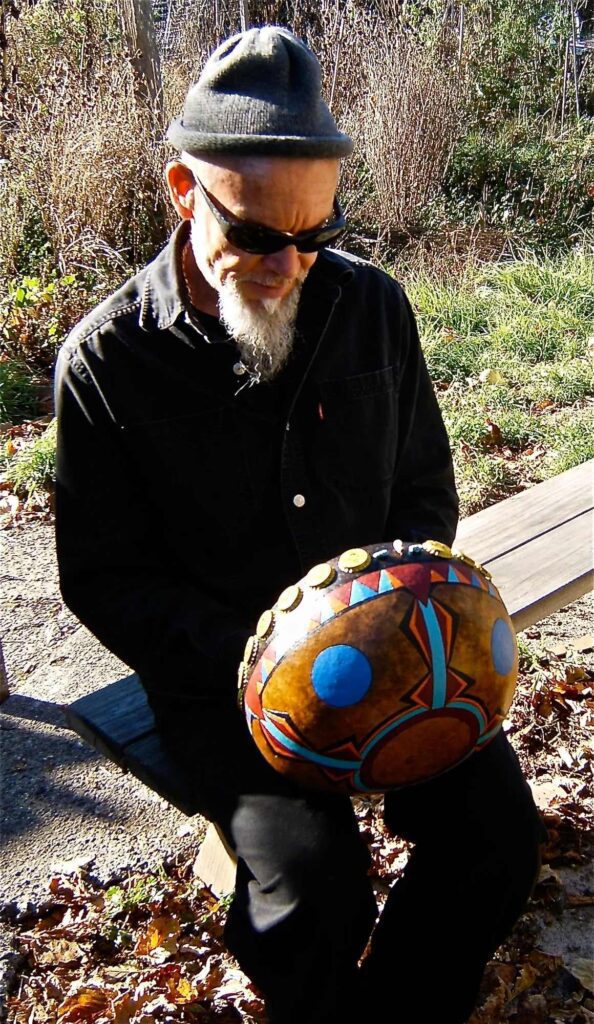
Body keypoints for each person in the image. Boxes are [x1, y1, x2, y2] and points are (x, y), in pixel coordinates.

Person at [55, 26, 545, 1024]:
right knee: (310, 888)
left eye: (316, 234)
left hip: (394, 648)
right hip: (229, 690)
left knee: (499, 830)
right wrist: (269, 654)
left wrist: (388, 621)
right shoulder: (105, 363)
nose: (291, 264)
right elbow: (103, 579)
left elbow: (423, 493)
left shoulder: (372, 308)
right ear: (184, 193)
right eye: (258, 236)